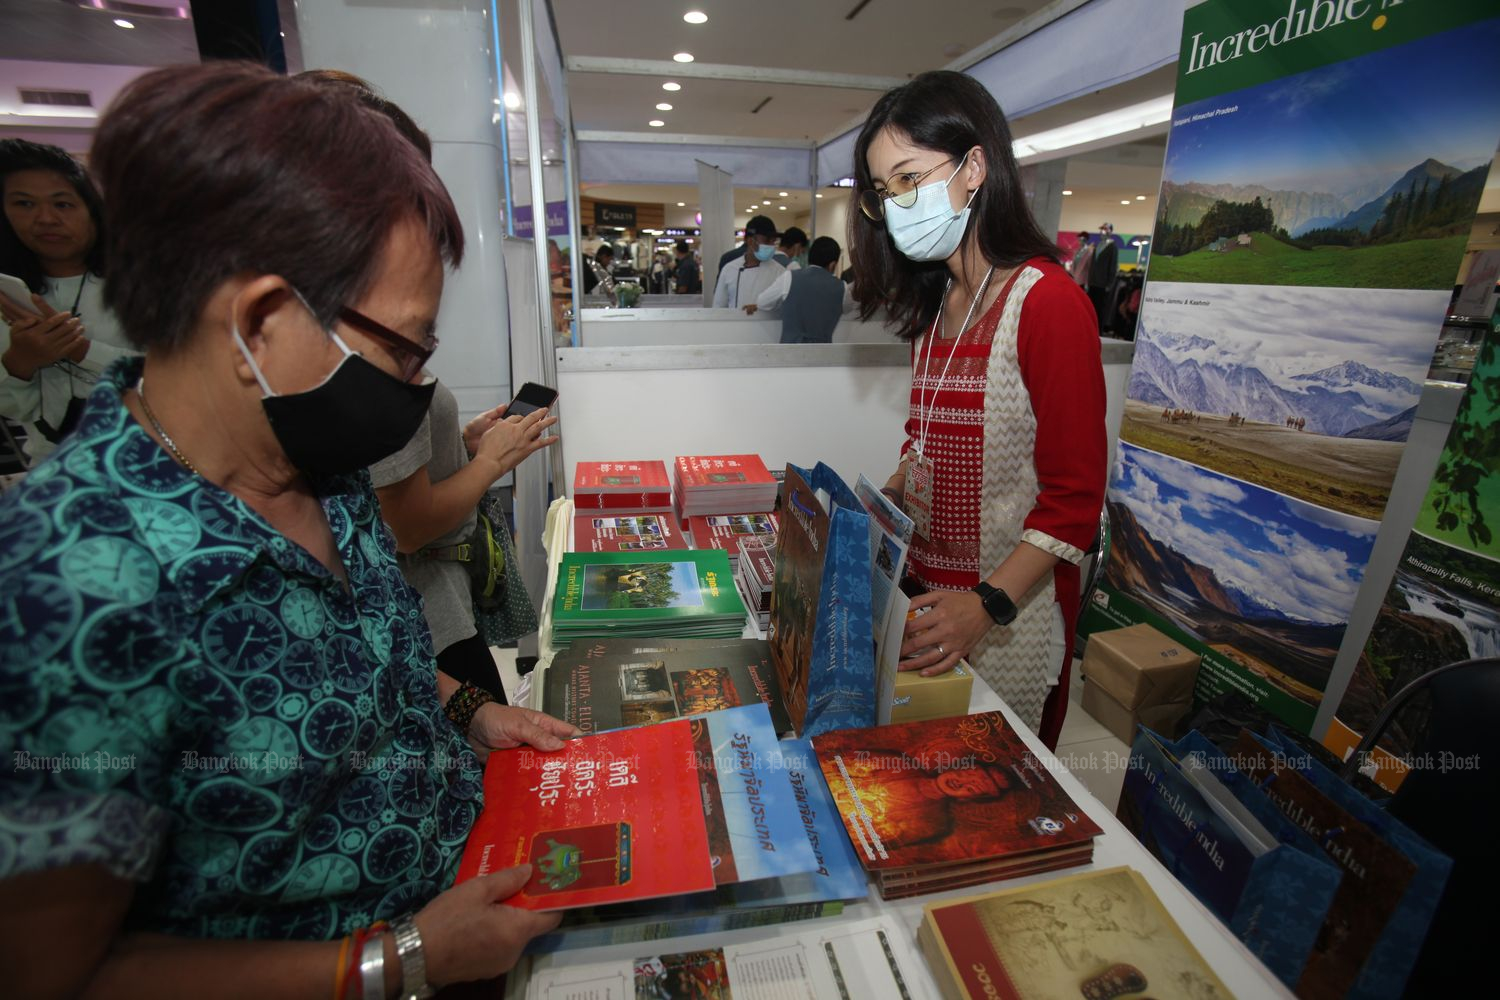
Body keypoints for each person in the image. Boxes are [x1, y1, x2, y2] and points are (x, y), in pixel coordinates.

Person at [0, 63, 575, 997]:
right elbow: (56, 975)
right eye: (404, 348)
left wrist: (474, 711)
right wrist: (397, 963)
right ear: (262, 322)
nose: (416, 384)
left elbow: (360, 660)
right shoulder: (67, 591)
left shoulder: (319, 463)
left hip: (473, 908)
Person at [852, 70, 1106, 750]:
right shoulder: (937, 309)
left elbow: (1075, 501)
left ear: (974, 169)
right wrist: (878, 508)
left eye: (908, 178)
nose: (897, 203)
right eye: (883, 191)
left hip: (1005, 614)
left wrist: (986, 605)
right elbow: (923, 442)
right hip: (932, 604)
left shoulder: (1046, 303)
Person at [301, 70, 563, 708]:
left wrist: (464, 447)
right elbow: (407, 526)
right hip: (426, 609)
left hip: (418, 626)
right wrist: (491, 464)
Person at [0, 139, 137, 462]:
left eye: (62, 204)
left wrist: (82, 351)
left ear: (94, 210)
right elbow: (14, 409)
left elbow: (181, 377)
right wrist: (20, 363)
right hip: (58, 467)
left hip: (150, 458)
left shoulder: (142, 282)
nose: (45, 219)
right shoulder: (7, 296)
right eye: (24, 204)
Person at [748, 235, 856, 343]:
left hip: (789, 354)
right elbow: (850, 308)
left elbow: (762, 302)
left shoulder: (789, 277)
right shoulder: (842, 288)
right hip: (823, 355)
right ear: (833, 265)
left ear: (809, 257)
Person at [712, 215, 785, 310]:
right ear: (750, 240)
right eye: (767, 241)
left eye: (773, 241)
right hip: (734, 324)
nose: (771, 246)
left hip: (766, 325)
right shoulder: (730, 269)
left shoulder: (780, 272)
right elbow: (718, 307)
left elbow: (784, 308)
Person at [1087, 222, 1118, 333]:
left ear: (1110, 231)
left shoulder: (1112, 247)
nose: (1102, 232)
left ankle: (1098, 331)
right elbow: (1092, 265)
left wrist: (1109, 284)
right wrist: (1089, 280)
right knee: (1091, 307)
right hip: (1093, 282)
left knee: (1100, 309)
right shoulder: (1098, 245)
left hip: (1103, 283)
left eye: (1105, 229)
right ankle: (1090, 329)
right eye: (1102, 229)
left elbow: (1113, 266)